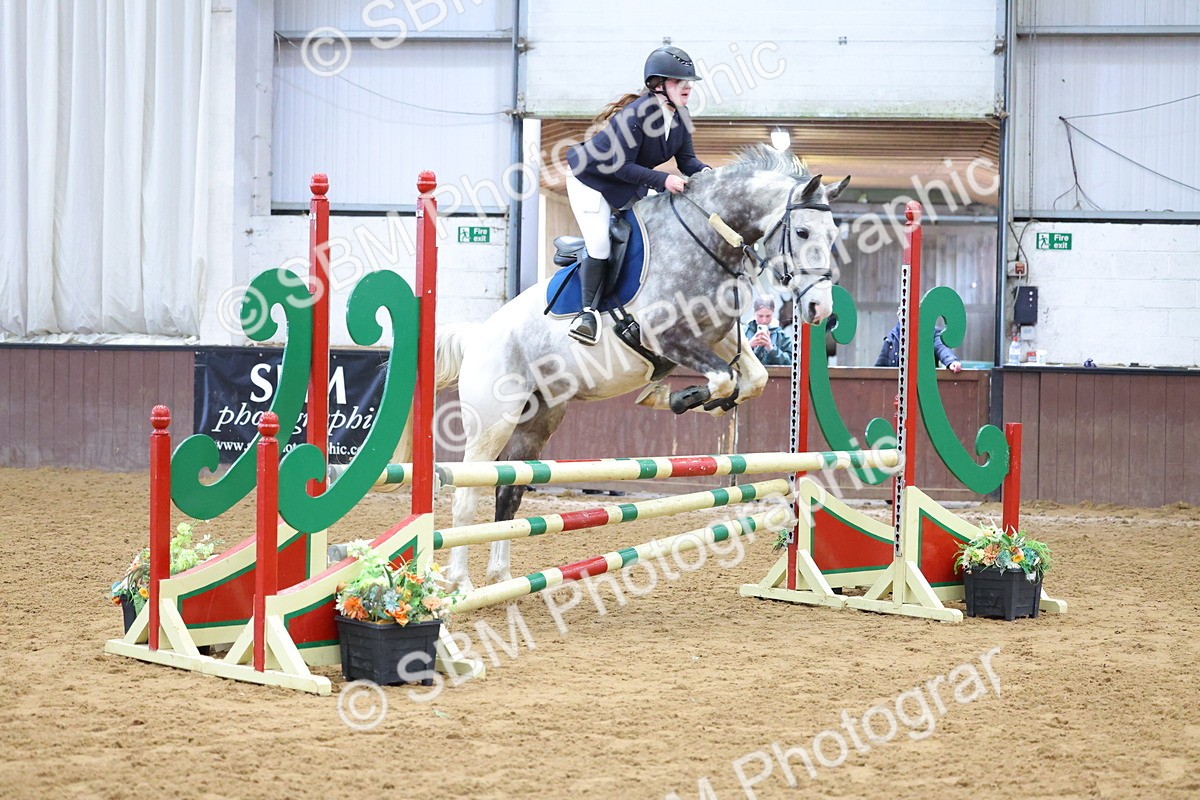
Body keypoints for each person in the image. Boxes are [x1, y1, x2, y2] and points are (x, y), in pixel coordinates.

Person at [563, 45, 711, 345]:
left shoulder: (680, 117)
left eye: (689, 82)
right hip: (589, 179)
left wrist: (711, 175)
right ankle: (587, 314)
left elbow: (687, 162)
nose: (688, 87)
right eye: (679, 82)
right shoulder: (635, 116)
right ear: (658, 85)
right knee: (601, 243)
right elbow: (621, 166)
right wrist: (663, 180)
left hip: (625, 182)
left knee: (653, 235)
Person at [875, 316, 962, 372]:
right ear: (899, 314)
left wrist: (951, 361)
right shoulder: (891, 339)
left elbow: (941, 347)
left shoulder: (931, 333)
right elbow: (878, 370)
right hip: (895, 394)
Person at [744, 296, 792, 366]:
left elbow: (791, 361)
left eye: (768, 316)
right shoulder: (743, 332)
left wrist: (771, 349)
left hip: (774, 376)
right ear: (754, 312)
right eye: (760, 316)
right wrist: (748, 346)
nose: (764, 320)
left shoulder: (780, 335)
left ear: (773, 313)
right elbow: (731, 358)